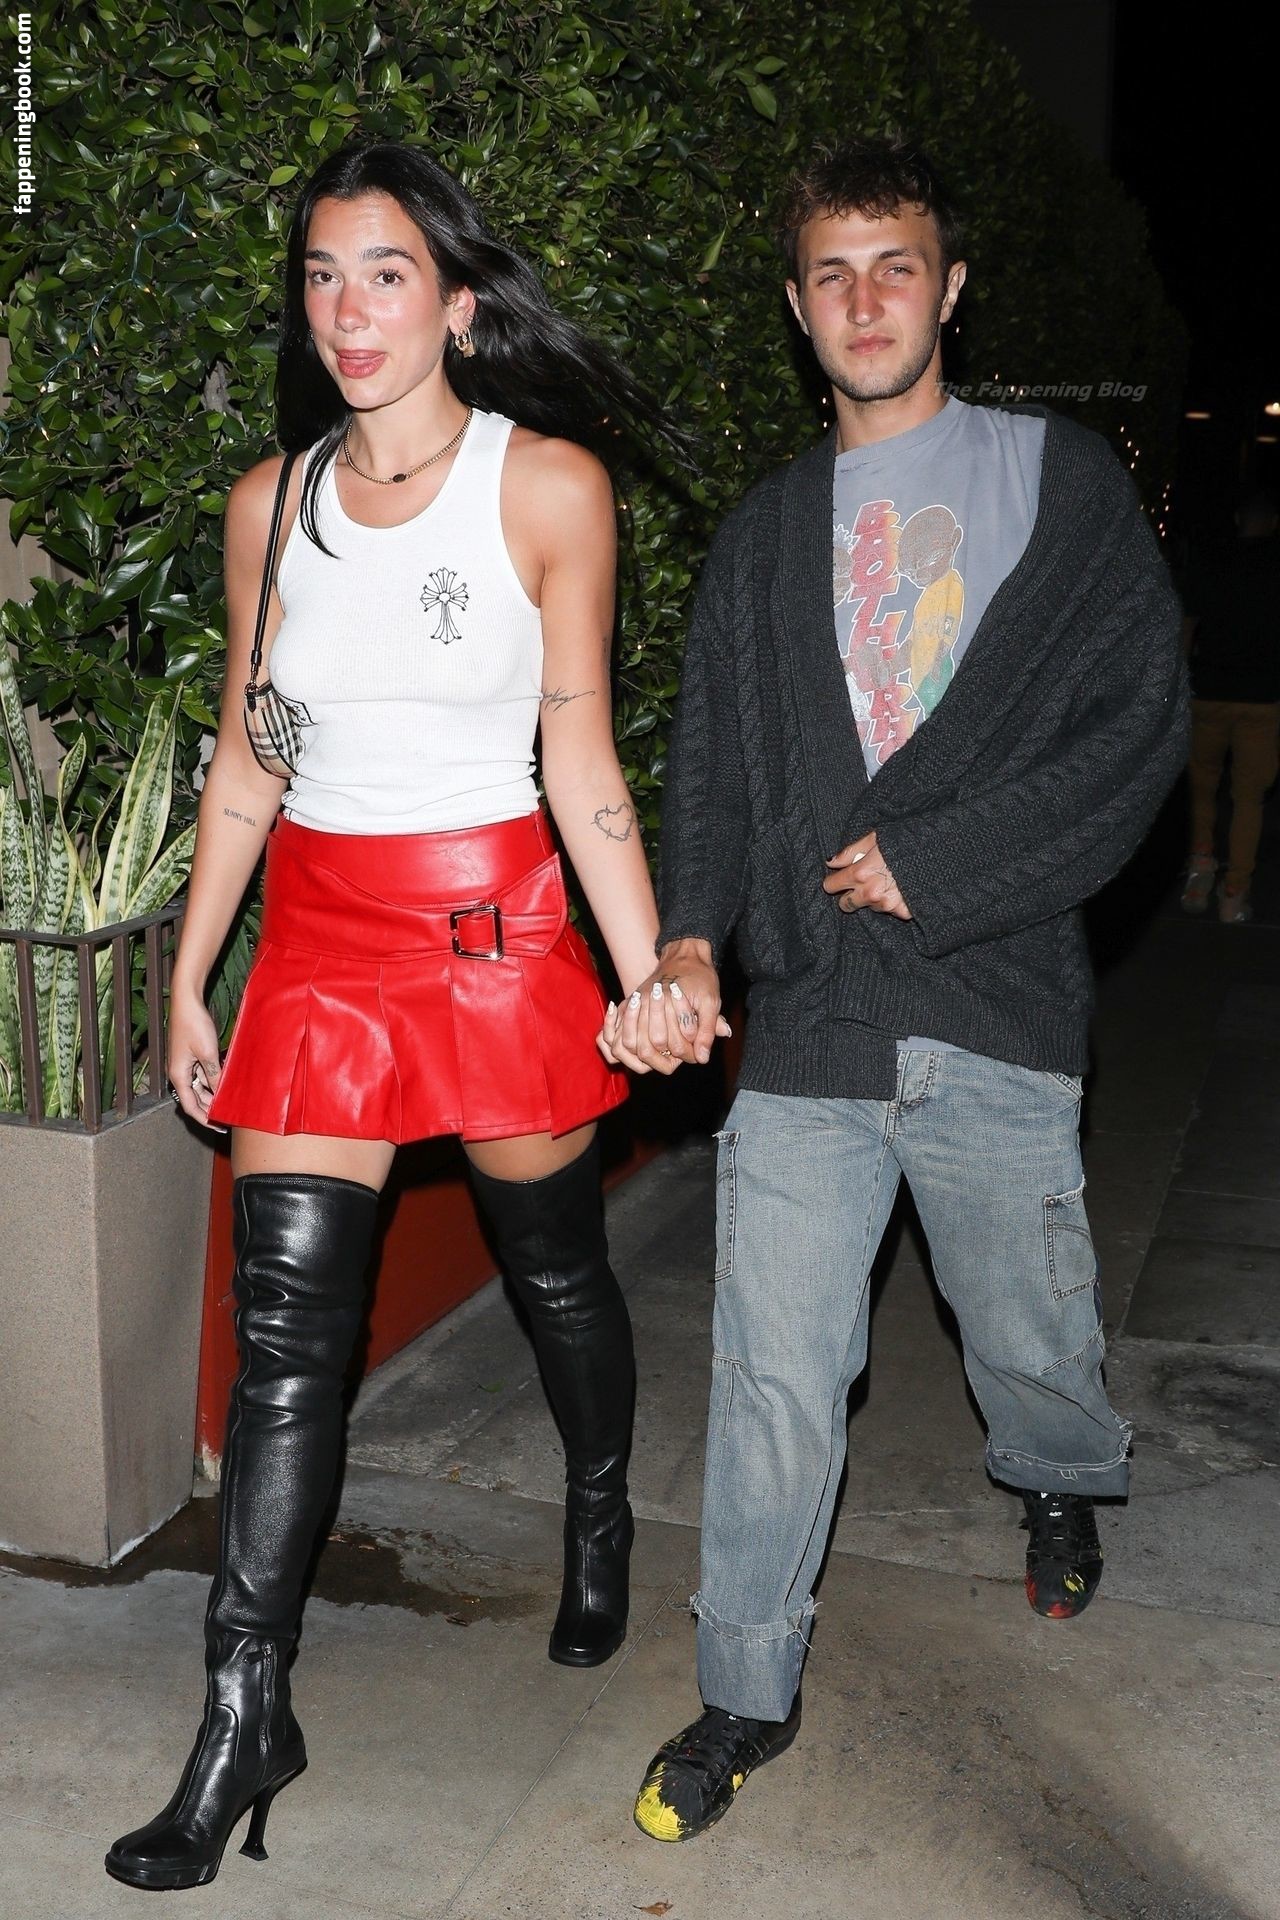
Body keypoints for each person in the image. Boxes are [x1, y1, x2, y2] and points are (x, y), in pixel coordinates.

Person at [105, 137, 686, 1892]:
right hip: (322, 948)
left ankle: (600, 1506)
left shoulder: (546, 488)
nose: (348, 310)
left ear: (458, 301)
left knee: (556, 1268)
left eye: (385, 273)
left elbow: (580, 758)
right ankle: (241, 1712)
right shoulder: (268, 506)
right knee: (289, 1338)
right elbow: (250, 759)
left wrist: (647, 971)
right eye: (321, 276)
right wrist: (193, 970)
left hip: (497, 935)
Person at [604, 135, 1188, 1844]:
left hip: (997, 999)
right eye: (833, 276)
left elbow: (1140, 722)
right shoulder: (765, 538)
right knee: (777, 1372)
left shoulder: (1060, 483)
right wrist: (693, 938)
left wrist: (951, 856)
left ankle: (1060, 1478)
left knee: (1030, 1332)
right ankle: (742, 1689)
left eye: (898, 268)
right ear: (800, 309)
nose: (867, 303)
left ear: (950, 288)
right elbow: (715, 779)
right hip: (815, 1022)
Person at [1179, 487, 1280, 923]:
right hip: (1261, 697)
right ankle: (1234, 894)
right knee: (1249, 797)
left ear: (1239, 518)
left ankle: (1200, 868)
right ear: (1273, 523)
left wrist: (1181, 679)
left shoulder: (1212, 560)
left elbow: (1188, 625)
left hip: (1210, 690)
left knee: (1202, 784)